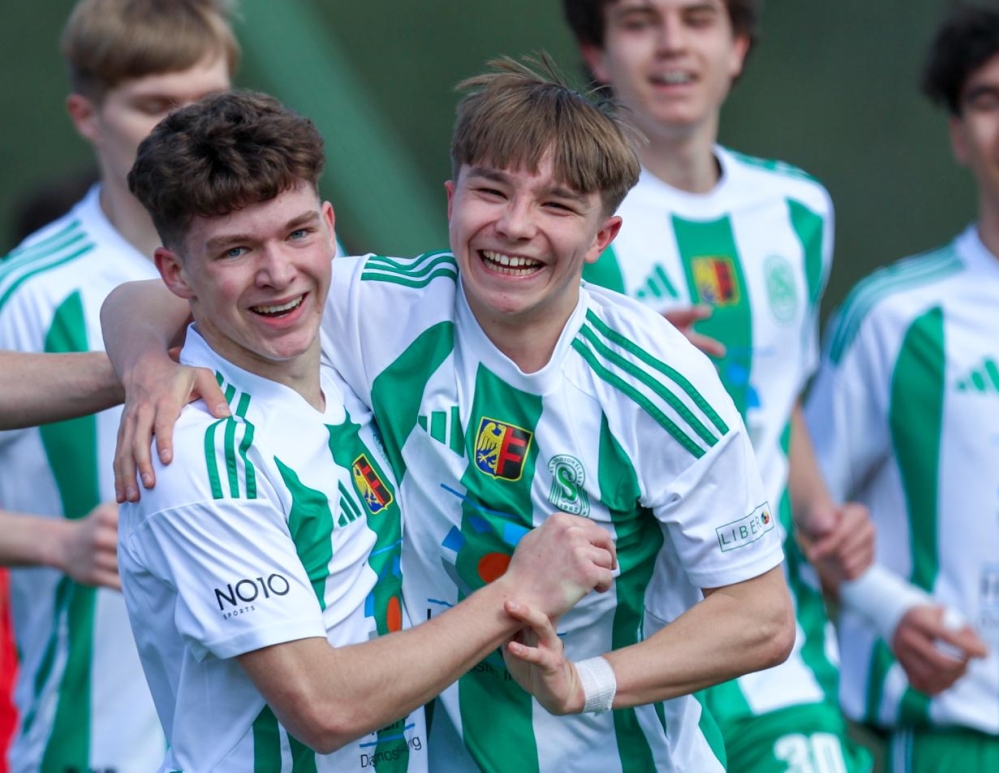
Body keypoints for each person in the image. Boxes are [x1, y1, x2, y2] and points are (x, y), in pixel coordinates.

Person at [104, 55, 794, 772]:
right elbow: (165, 291)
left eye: (557, 206)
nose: (515, 226)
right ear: (451, 200)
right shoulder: (378, 308)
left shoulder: (661, 382)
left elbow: (762, 617)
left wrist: (583, 683)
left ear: (602, 237)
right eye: (491, 192)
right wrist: (145, 363)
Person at [120, 87, 617, 769]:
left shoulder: (347, 364)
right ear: (176, 273)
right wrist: (519, 591)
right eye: (235, 251)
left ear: (330, 227)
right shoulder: (198, 453)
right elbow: (323, 708)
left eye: (298, 234)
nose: (279, 274)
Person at [562, 1, 874, 770]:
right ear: (597, 53)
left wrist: (821, 515)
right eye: (641, 21)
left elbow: (778, 391)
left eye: (698, 18)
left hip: (777, 645)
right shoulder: (563, 220)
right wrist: (619, 359)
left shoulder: (798, 211)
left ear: (737, 47)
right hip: (624, 648)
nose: (672, 44)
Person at [0, 1, 237, 768]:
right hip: (93, 745)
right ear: (86, 115)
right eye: (155, 104)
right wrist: (53, 541)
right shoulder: (34, 291)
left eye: (209, 99)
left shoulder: (284, 272)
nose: (189, 129)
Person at [806, 1, 999, 770]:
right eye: (988, 101)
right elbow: (794, 519)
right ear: (958, 134)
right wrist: (885, 606)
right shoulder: (896, 317)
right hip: (952, 742)